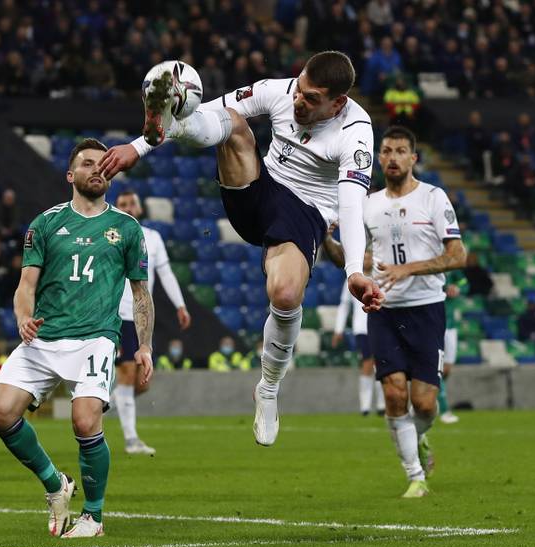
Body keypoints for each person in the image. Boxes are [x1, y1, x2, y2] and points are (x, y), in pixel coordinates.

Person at [99, 51, 382, 447]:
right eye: (299, 90)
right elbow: (208, 114)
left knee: (284, 293)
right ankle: (159, 120)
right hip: (257, 189)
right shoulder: (277, 91)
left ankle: (268, 387)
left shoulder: (356, 132)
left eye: (312, 99)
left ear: (337, 102)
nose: (299, 101)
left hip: (306, 212)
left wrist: (354, 269)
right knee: (231, 122)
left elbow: (351, 202)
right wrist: (141, 144)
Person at [0, 138, 153, 539]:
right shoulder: (45, 224)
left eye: (103, 164)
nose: (98, 169)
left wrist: (144, 344)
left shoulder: (127, 228)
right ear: (70, 175)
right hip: (43, 335)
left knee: (84, 419)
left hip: (96, 337)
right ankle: (54, 482)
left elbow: (140, 293)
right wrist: (23, 317)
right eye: (88, 163)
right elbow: (26, 285)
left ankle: (92, 517)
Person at [364, 126, 466, 498]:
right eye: (386, 151)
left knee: (424, 404)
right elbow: (357, 258)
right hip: (383, 310)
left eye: (400, 151)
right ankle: (415, 476)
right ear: (378, 157)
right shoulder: (368, 203)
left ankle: (420, 439)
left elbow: (458, 255)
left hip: (426, 308)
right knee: (393, 394)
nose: (392, 157)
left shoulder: (434, 199)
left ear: (413, 158)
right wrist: (328, 241)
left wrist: (409, 268)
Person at [112, 190, 190, 456]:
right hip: (115, 314)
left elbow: (165, 273)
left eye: (132, 203)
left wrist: (180, 304)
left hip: (142, 317)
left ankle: (109, 402)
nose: (128, 207)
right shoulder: (110, 234)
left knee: (142, 384)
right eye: (123, 204)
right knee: (126, 373)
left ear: (140, 208)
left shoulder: (153, 238)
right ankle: (131, 439)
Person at [333, 282, 384, 416]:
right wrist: (339, 329)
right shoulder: (354, 277)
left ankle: (381, 404)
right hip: (362, 328)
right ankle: (365, 406)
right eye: (365, 258)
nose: (368, 260)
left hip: (380, 326)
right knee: (367, 362)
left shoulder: (378, 275)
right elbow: (344, 305)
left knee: (380, 363)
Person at [440, 272, 468, 425]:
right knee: (436, 368)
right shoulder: (428, 261)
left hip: (451, 325)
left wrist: (458, 288)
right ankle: (444, 410)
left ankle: (430, 394)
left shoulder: (452, 267)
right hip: (434, 323)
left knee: (447, 369)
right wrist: (444, 288)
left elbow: (465, 282)